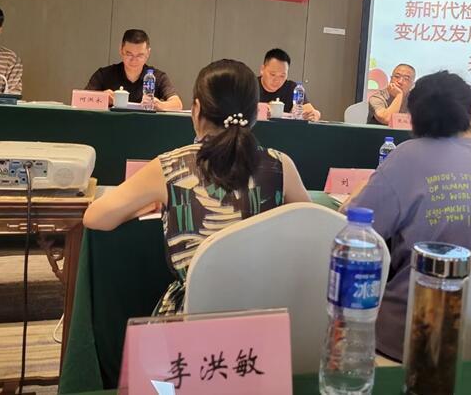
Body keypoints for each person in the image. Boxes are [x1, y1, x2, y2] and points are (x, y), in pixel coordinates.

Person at [83, 59, 310, 314]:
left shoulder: (171, 166)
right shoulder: (281, 165)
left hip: (190, 319)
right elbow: (314, 226)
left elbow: (94, 217)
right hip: (264, 317)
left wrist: (141, 207)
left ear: (197, 109)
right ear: (255, 113)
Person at [346, 70, 471, 361]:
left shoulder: (406, 155)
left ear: (414, 118)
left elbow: (356, 228)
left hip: (408, 334)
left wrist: (359, 191)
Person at [84, 29, 183, 111]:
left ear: (148, 53)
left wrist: (160, 105)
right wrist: (102, 97)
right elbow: (81, 99)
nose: (134, 60)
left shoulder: (156, 77)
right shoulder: (104, 74)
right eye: (129, 54)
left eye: (140, 55)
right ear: (121, 50)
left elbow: (177, 104)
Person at [258, 48, 321, 120]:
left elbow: (308, 110)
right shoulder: (251, 85)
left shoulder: (292, 88)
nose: (277, 80)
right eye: (272, 74)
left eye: (282, 76)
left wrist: (314, 114)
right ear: (262, 69)